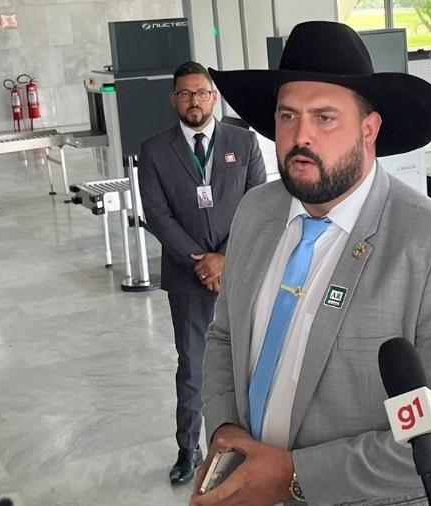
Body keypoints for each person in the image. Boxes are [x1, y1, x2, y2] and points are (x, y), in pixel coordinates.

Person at [193, 22, 431, 505]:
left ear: (369, 130)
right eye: (287, 116)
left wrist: (298, 476)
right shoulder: (257, 211)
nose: (301, 138)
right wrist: (226, 431)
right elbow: (225, 336)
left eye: (324, 118)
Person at [138, 61, 266, 486]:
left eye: (202, 92)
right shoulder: (155, 150)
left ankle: (248, 447)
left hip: (241, 272)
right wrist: (201, 261)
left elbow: (260, 206)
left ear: (214, 96)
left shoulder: (243, 142)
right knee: (192, 366)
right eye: (185, 94)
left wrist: (225, 259)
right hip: (187, 277)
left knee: (248, 361)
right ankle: (187, 450)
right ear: (174, 99)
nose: (195, 101)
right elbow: (156, 215)